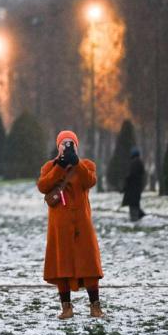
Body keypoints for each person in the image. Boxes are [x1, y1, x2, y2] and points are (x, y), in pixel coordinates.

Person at [37, 130, 104, 319]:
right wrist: (59, 167)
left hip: (81, 224)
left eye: (70, 143)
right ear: (58, 146)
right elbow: (43, 186)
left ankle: (95, 306)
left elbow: (89, 181)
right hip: (60, 225)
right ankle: (66, 307)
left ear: (76, 145)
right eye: (63, 143)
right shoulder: (49, 167)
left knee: (89, 263)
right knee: (62, 264)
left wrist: (76, 163)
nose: (66, 146)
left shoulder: (86, 165)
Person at [122, 147, 147, 222]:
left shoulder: (134, 163)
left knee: (133, 204)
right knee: (135, 203)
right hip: (137, 187)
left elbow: (131, 175)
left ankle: (134, 218)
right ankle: (138, 216)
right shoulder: (139, 162)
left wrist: (126, 184)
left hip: (132, 188)